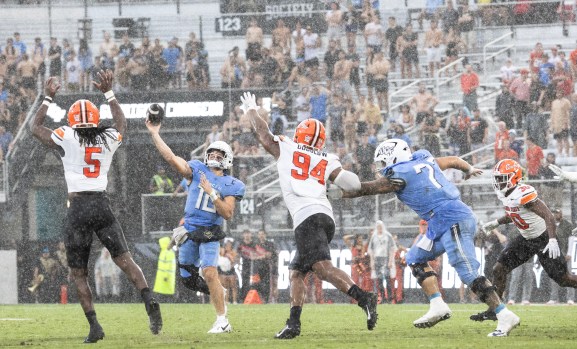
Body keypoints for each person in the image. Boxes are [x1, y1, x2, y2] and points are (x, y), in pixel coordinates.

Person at [333, 138, 520, 337]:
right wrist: (468, 168)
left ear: (394, 158)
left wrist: (338, 193)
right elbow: (453, 160)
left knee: (467, 273)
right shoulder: (423, 160)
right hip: (439, 221)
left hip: (452, 219)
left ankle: (504, 314)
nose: (381, 167)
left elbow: (366, 188)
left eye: (383, 162)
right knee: (414, 257)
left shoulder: (401, 173)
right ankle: (438, 305)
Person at [30, 71, 162, 343]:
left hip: (78, 207)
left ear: (72, 120)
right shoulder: (107, 136)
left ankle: (94, 327)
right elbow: (121, 123)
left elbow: (35, 127)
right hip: (101, 204)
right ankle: (149, 301)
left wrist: (47, 98)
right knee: (125, 260)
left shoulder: (66, 134)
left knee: (78, 273)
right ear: (94, 118)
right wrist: (109, 93)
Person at [240, 92, 378, 339]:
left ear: (300, 133)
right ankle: (293, 324)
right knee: (297, 272)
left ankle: (364, 297)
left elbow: (262, 133)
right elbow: (352, 183)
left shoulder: (287, 146)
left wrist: (252, 110)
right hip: (325, 216)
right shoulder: (328, 157)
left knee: (323, 269)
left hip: (307, 217)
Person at [146, 112, 245, 333]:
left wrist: (211, 193)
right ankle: (219, 292)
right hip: (189, 229)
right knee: (188, 279)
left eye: (220, 154)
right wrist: (155, 134)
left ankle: (222, 320)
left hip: (210, 231)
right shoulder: (197, 169)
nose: (215, 157)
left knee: (209, 272)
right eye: (213, 153)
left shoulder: (231, 183)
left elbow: (228, 213)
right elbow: (171, 158)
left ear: (227, 158)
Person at [476, 159, 577, 323]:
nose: (499, 182)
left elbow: (548, 216)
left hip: (544, 238)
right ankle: (496, 310)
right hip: (526, 238)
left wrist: (552, 240)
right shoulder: (507, 194)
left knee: (563, 279)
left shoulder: (523, 193)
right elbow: (515, 213)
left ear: (514, 177)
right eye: (498, 178)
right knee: (499, 269)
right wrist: (496, 223)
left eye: (502, 178)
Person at [367, 220, 396, 303]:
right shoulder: (374, 237)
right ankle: (383, 297)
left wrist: (390, 260)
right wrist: (372, 261)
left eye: (380, 226)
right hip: (377, 259)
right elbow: (371, 250)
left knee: (387, 278)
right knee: (379, 280)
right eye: (378, 226)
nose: (379, 228)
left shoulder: (387, 236)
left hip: (385, 258)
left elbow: (392, 248)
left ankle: (390, 298)